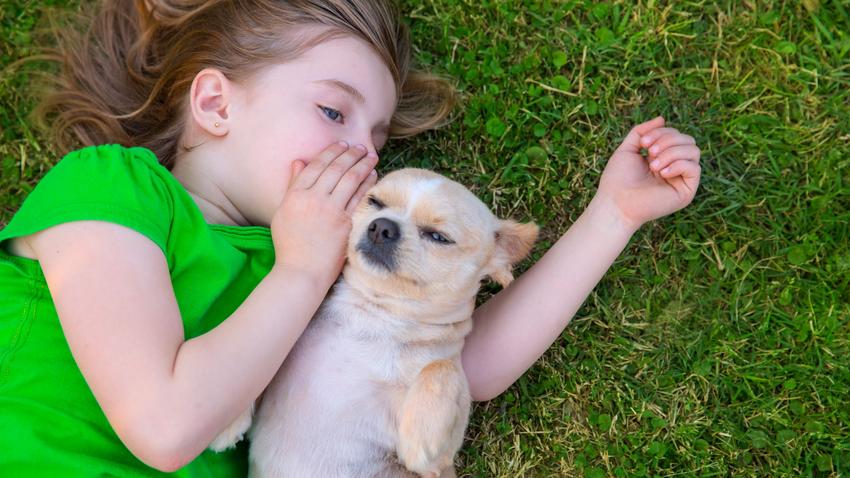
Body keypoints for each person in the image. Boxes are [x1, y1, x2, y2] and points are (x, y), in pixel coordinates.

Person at [0, 0, 701, 475]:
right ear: (215, 104)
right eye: (334, 110)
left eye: (376, 140)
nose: (364, 157)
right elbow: (163, 424)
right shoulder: (110, 190)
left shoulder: (311, 254)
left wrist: (613, 215)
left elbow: (466, 359)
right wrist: (300, 274)